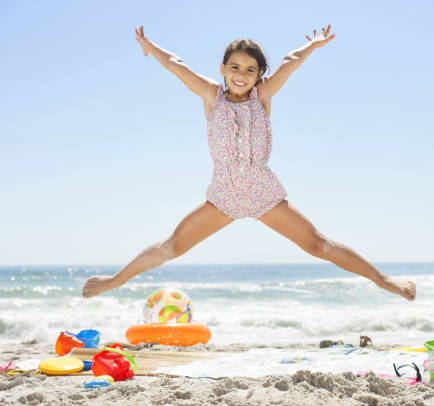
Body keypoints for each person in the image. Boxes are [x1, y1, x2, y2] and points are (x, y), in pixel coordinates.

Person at [81, 24, 416, 302]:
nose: (241, 75)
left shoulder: (263, 96)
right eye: (235, 67)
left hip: (262, 193)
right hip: (224, 195)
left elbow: (290, 60)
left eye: (250, 69)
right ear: (224, 69)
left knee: (318, 244)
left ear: (259, 75)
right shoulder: (212, 96)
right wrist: (148, 45)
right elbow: (176, 64)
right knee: (171, 246)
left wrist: (312, 45)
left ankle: (383, 280)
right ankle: (115, 280)